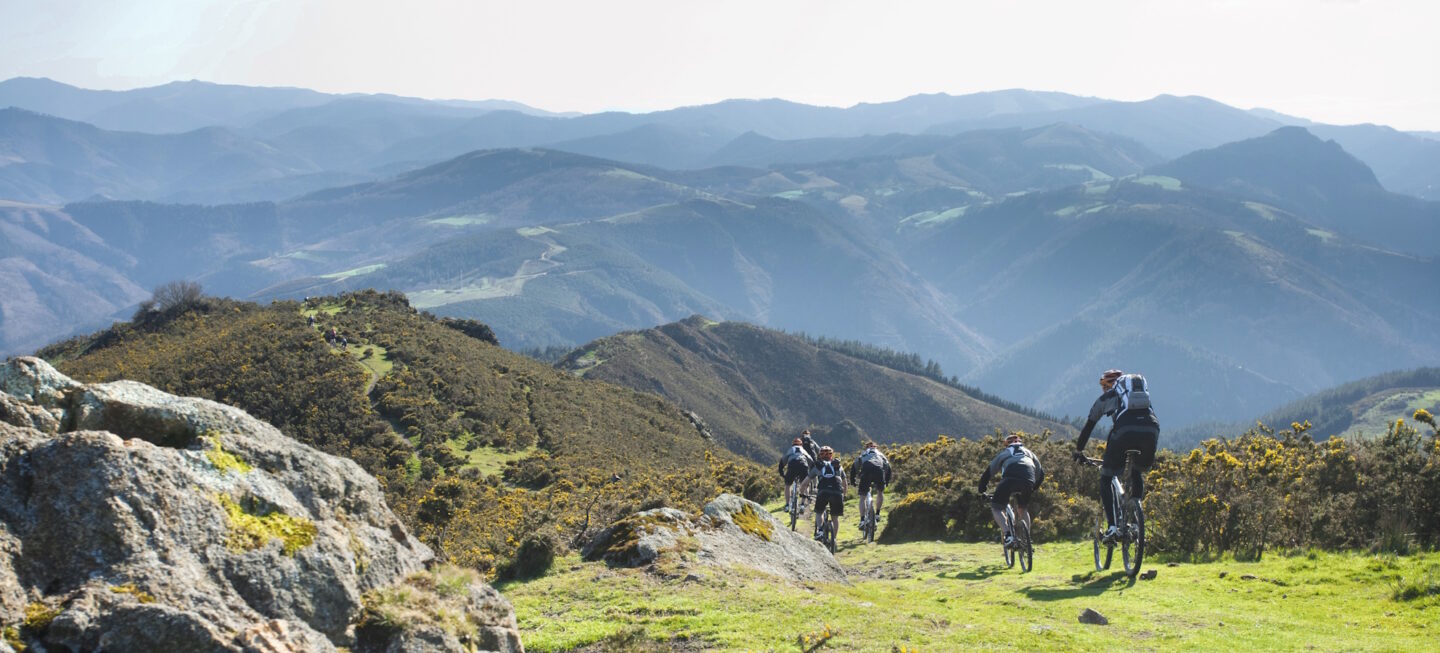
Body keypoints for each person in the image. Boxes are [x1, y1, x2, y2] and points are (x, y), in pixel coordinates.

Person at [1073, 369, 1159, 541]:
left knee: (1106, 478)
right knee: (1136, 471)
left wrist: (1078, 451)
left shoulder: (1108, 397)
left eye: (1104, 386)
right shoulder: (1140, 396)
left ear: (1109, 385)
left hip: (1123, 433)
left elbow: (1089, 426)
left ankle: (1112, 527)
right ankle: (1136, 518)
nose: (1103, 390)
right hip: (1151, 430)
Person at [979, 433, 1045, 547]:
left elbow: (989, 471)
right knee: (1023, 508)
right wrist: (1034, 487)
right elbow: (1041, 473)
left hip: (1010, 478)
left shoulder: (1005, 453)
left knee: (996, 508)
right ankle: (1026, 539)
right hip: (1028, 479)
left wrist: (982, 488)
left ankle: (1008, 535)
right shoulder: (1029, 453)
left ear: (1006, 445)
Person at [808, 446, 847, 541]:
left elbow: (805, 483)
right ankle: (834, 539)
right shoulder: (838, 466)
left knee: (819, 512)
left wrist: (802, 493)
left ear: (820, 456)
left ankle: (820, 531)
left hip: (823, 491)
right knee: (835, 518)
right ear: (831, 455)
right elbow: (845, 483)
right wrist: (844, 495)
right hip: (837, 492)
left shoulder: (818, 466)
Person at [850, 442, 892, 529]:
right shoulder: (880, 454)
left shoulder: (864, 453)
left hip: (866, 469)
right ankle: (877, 514)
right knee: (880, 492)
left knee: (863, 497)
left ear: (867, 447)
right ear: (876, 447)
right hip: (878, 470)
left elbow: (854, 466)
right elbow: (888, 467)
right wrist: (886, 481)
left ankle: (862, 520)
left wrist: (853, 480)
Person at [778, 438, 814, 513]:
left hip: (792, 466)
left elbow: (782, 461)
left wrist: (782, 473)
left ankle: (787, 505)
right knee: (805, 485)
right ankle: (802, 505)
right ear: (801, 444)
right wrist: (811, 473)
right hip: (803, 465)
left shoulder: (791, 450)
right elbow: (811, 461)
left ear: (793, 444)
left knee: (787, 485)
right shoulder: (803, 450)